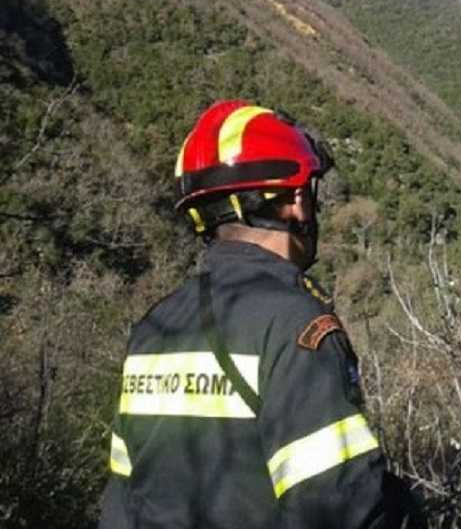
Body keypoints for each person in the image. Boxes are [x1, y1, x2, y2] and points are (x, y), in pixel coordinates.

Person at [99, 100, 422, 528]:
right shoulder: (297, 328)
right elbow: (341, 511)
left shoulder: (152, 329)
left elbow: (122, 499)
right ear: (296, 201)